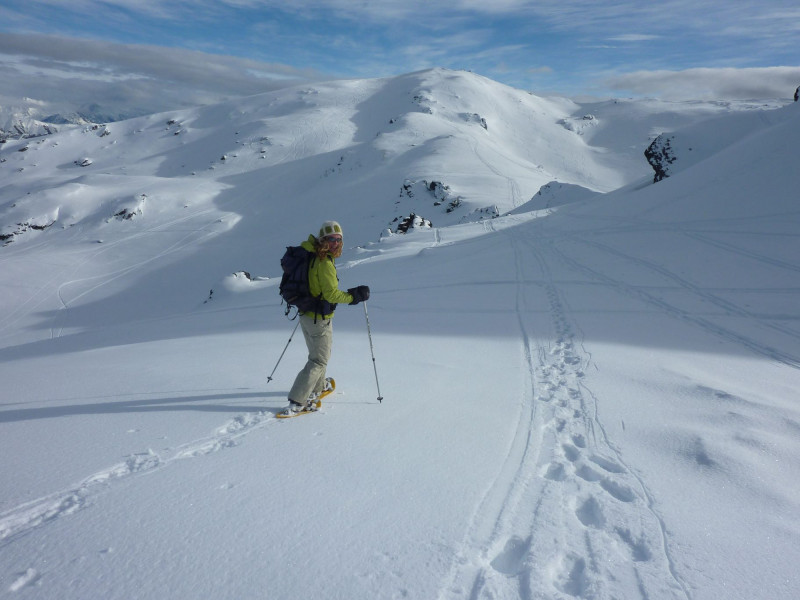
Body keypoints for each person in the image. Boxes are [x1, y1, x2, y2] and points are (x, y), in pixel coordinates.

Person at [281, 221, 370, 416]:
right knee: (319, 361)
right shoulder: (324, 263)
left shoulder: (310, 253)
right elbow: (331, 295)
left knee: (317, 355)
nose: (336, 243)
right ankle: (298, 400)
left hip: (306, 314)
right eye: (331, 239)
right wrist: (354, 296)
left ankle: (318, 387)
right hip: (318, 318)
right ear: (322, 239)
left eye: (339, 239)